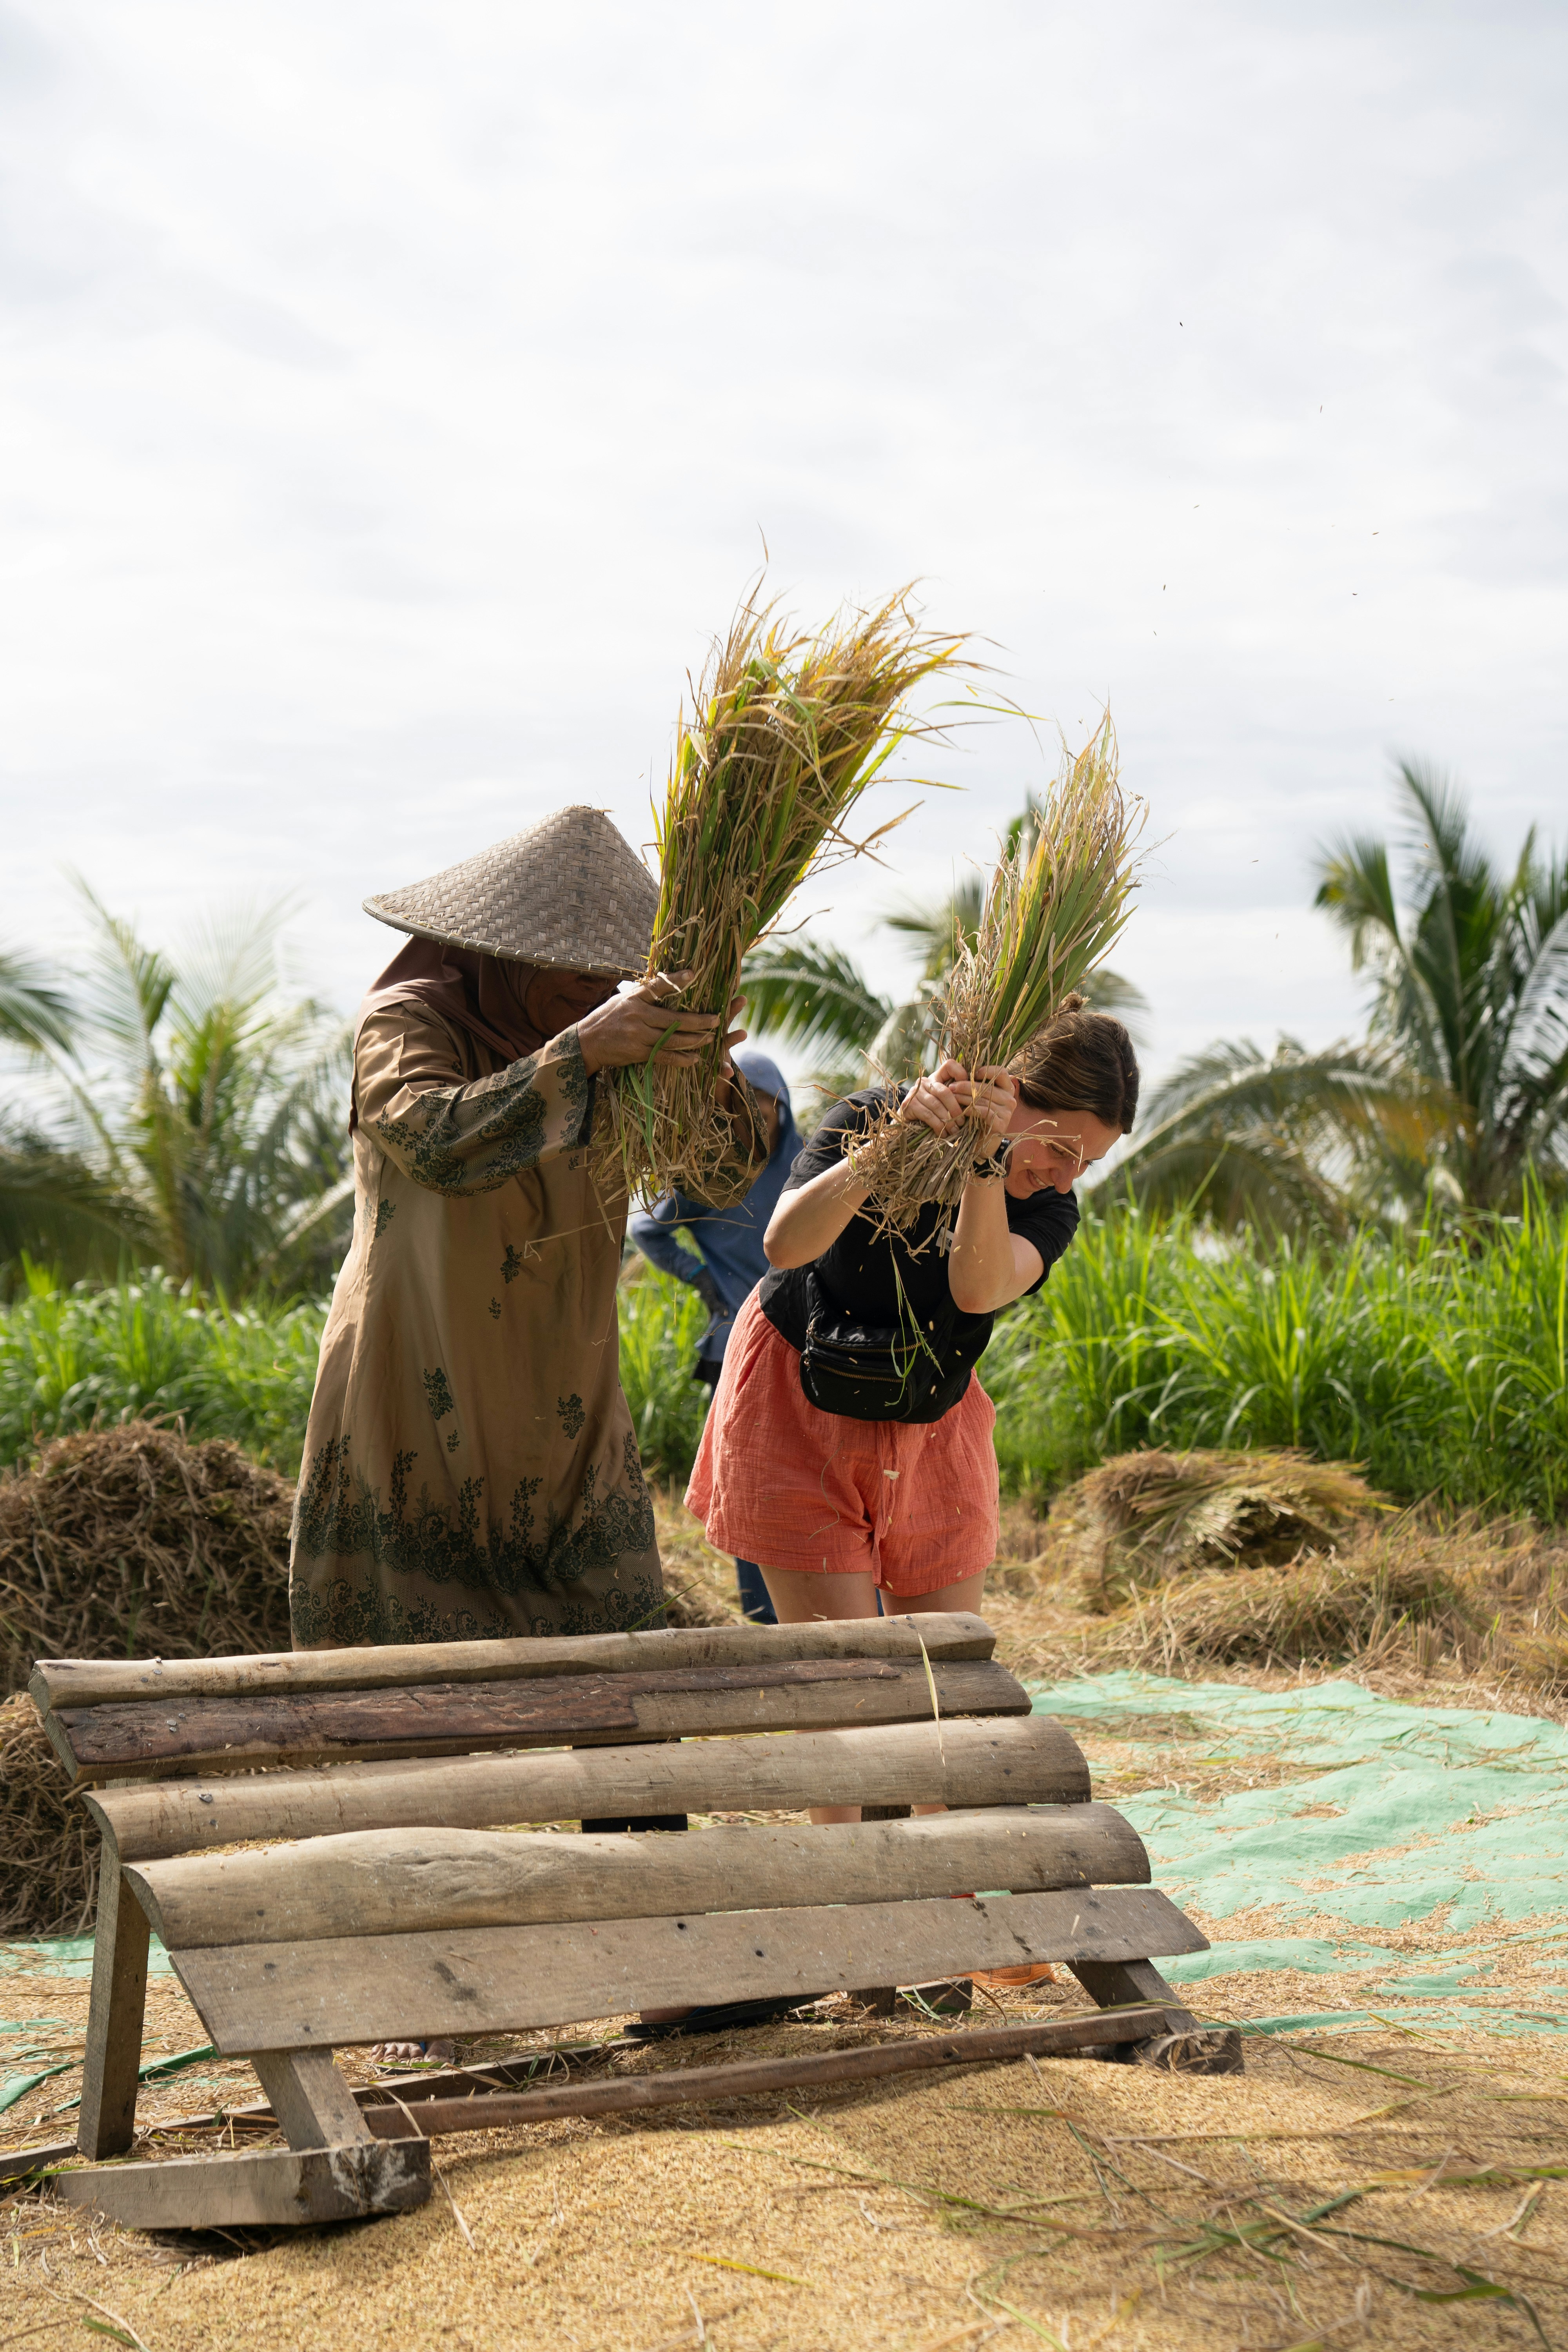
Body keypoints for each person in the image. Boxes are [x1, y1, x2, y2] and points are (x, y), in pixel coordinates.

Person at [288, 804, 746, 1659]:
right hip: (421, 1376)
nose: (598, 990)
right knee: (411, 1685)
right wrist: (576, 1054)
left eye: (612, 977)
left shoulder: (613, 1047)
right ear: (502, 954)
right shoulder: (411, 1018)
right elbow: (428, 1136)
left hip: (565, 1394)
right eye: (575, 972)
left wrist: (708, 1083)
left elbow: (720, 1179)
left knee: (624, 1664)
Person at [686, 993, 1138, 1798]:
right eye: (1062, 1148)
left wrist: (986, 1164)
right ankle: (856, 1896)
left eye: (1087, 1164)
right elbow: (785, 1243)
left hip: (929, 1417)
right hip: (800, 1400)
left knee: (941, 1685)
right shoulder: (876, 1117)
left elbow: (976, 1291)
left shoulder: (1047, 1205)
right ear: (1014, 1091)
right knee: (844, 1692)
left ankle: (946, 1894)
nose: (1066, 1176)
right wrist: (893, 1145)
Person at [626, 1045, 801, 1624]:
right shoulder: (710, 1175)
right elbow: (647, 1229)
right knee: (749, 1482)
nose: (753, 1115)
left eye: (762, 1103)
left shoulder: (813, 1163)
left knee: (814, 1481)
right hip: (742, 1343)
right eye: (740, 1103)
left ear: (783, 1107)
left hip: (815, 1342)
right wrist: (700, 1277)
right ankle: (764, 1614)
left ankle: (839, 1609)